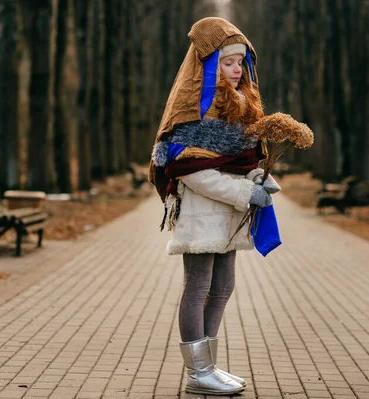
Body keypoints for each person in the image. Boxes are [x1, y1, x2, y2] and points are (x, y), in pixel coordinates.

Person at [148, 17, 280, 395]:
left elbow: (238, 163)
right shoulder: (194, 113)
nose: (237, 69)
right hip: (202, 214)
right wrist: (243, 194)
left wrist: (258, 180)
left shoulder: (241, 107)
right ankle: (197, 373)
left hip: (230, 217)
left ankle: (209, 367)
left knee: (223, 286)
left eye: (240, 62)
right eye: (227, 62)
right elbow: (190, 170)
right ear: (209, 66)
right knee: (198, 285)